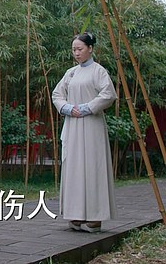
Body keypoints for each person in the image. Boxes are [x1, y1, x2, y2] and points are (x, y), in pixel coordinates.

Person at [51, 32, 118, 233]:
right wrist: (67, 108)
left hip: (91, 125)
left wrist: (87, 107)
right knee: (74, 167)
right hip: (73, 124)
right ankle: (76, 214)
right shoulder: (71, 73)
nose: (76, 53)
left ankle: (95, 217)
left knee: (92, 167)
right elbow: (57, 94)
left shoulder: (99, 71)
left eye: (80, 49)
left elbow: (108, 94)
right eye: (74, 50)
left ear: (90, 48)